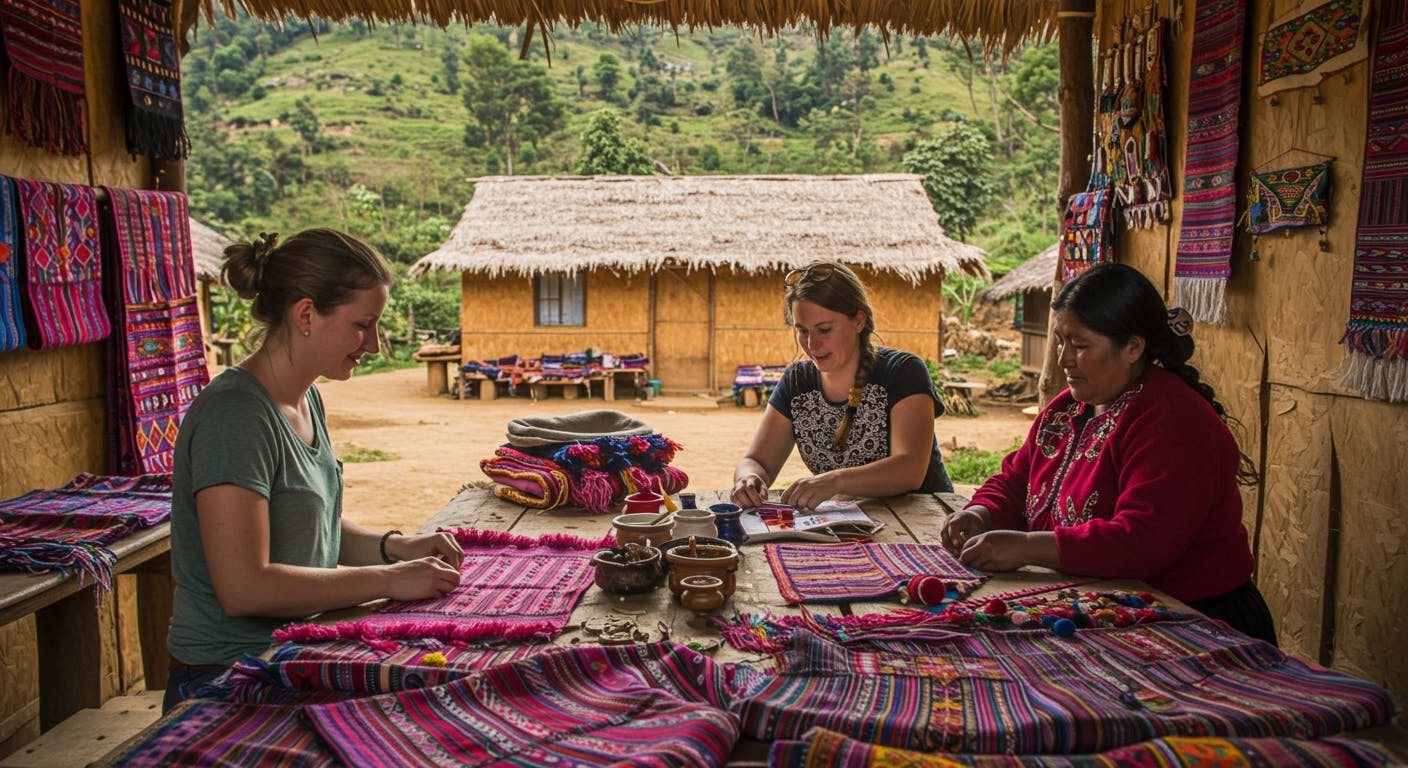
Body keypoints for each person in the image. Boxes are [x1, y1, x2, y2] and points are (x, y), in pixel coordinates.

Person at [164, 228, 464, 713]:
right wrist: (387, 580)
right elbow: (245, 587)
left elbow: (311, 526)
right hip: (226, 678)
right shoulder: (235, 417)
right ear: (306, 315)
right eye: (362, 325)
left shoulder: (306, 399)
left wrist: (393, 548)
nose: (374, 344)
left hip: (288, 652)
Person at [941, 263, 1276, 645]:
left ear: (1134, 347)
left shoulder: (1174, 419)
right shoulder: (1069, 408)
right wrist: (981, 512)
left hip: (1193, 620)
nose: (1064, 359)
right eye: (1061, 341)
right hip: (1106, 610)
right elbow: (1017, 480)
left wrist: (1027, 547)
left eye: (1080, 345)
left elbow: (1144, 540)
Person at [732, 261, 953, 512]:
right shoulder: (797, 383)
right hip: (849, 524)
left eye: (824, 330)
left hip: (923, 522)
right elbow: (757, 461)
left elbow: (910, 469)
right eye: (802, 331)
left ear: (859, 321)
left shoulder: (902, 372)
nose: (811, 344)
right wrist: (748, 479)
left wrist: (835, 480)